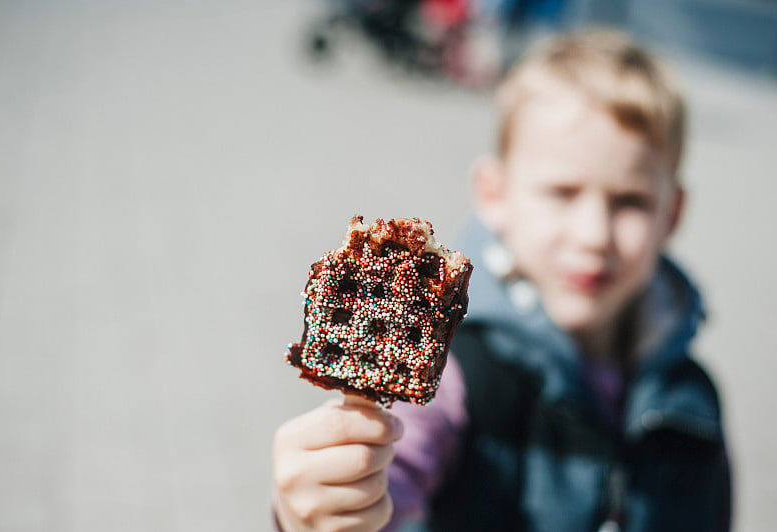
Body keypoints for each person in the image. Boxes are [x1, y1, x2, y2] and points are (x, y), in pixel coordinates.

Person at [272, 29, 732, 531]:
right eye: (563, 192)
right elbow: (394, 481)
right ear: (495, 195)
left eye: (631, 202)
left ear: (673, 214)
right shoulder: (457, 379)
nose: (594, 234)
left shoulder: (692, 402)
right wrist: (329, 506)